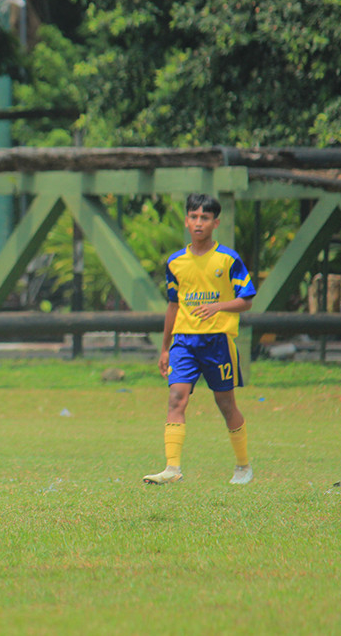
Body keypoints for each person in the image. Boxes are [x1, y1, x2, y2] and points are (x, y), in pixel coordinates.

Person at [143, 194, 257, 486]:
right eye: (193, 216)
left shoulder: (227, 259)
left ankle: (243, 466)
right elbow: (173, 305)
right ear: (186, 220)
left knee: (225, 404)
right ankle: (172, 469)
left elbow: (247, 300)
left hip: (218, 342)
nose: (198, 223)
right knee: (175, 398)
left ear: (215, 223)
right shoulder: (175, 262)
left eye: (204, 218)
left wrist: (218, 306)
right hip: (184, 341)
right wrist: (165, 347)